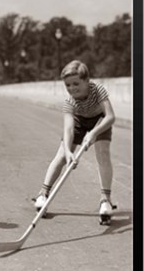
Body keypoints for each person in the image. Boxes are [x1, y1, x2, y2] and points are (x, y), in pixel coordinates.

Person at [34, 60, 116, 224]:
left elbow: (110, 116)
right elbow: (69, 130)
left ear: (87, 80)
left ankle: (105, 200)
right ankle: (43, 194)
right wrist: (69, 152)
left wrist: (93, 133)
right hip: (79, 120)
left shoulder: (98, 90)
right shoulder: (69, 102)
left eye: (76, 83)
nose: (72, 89)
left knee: (103, 153)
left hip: (100, 121)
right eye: (68, 85)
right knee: (62, 155)